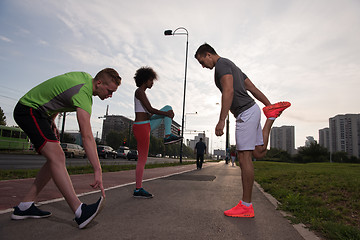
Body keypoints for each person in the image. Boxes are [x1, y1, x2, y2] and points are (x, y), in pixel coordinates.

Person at [12, 68, 121, 228]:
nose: (110, 95)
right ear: (99, 83)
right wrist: (97, 169)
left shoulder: (83, 78)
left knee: (53, 160)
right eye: (109, 91)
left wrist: (52, 120)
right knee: (58, 157)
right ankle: (79, 211)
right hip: (29, 110)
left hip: (40, 113)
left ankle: (25, 206)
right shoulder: (84, 95)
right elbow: (87, 136)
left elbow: (58, 94)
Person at [195, 43, 290, 218]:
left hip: (245, 113)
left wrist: (222, 120)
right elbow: (252, 89)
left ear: (208, 54)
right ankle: (271, 118)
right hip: (252, 110)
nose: (203, 66)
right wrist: (270, 107)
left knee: (244, 157)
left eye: (202, 61)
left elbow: (229, 91)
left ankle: (246, 206)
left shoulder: (221, 65)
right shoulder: (233, 66)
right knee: (258, 152)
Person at [132, 66, 182, 198]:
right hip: (141, 126)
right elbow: (150, 108)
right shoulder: (139, 92)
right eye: (151, 80)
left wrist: (165, 114)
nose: (152, 83)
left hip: (145, 123)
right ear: (145, 80)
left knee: (168, 108)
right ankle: (138, 189)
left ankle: (167, 135)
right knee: (142, 159)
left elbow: (148, 113)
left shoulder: (142, 93)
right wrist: (166, 114)